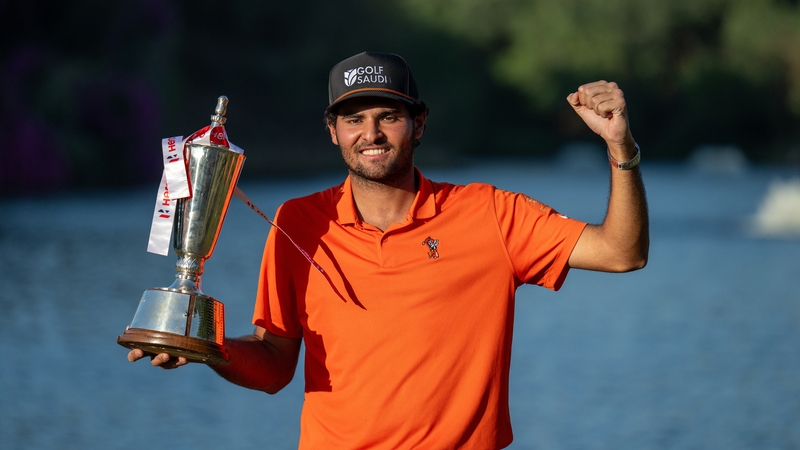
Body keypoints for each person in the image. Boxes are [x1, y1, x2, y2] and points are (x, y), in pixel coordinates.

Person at [128, 51, 649, 449]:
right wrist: (204, 346)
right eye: (353, 119)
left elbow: (622, 252)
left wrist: (620, 149)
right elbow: (273, 365)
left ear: (418, 124)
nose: (370, 133)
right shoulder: (298, 223)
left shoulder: (490, 213)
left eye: (387, 116)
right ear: (333, 132)